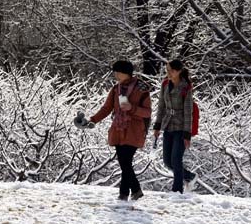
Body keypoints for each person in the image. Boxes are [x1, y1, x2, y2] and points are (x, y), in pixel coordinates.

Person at [83, 60, 152, 201]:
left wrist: (132, 108)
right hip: (118, 130)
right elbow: (106, 108)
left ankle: (129, 191)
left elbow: (148, 112)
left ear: (126, 73)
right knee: (124, 162)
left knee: (125, 161)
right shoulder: (116, 89)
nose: (115, 75)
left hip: (134, 130)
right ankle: (129, 192)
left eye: (118, 72)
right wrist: (93, 120)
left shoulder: (142, 88)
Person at [153, 59, 197, 193]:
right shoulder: (165, 84)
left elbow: (188, 112)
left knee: (176, 160)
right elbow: (161, 106)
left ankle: (176, 191)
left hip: (181, 127)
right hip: (167, 125)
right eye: (167, 70)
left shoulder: (186, 87)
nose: (169, 73)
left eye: (171, 71)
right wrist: (157, 126)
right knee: (167, 161)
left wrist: (187, 134)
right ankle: (189, 176)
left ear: (179, 71)